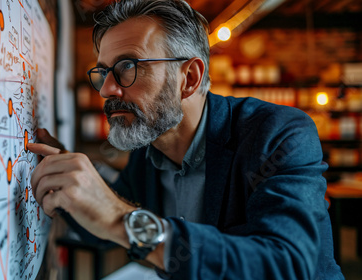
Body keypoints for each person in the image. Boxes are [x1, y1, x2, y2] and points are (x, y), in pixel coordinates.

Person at [27, 0, 344, 278]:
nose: (107, 89)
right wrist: (66, 173)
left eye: (127, 67)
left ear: (189, 79)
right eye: (103, 72)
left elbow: (286, 265)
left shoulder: (276, 134)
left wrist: (123, 221)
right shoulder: (150, 146)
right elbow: (103, 226)